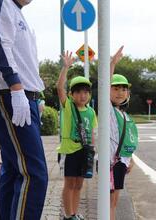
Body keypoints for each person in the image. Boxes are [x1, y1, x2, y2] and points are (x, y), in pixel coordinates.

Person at [0, 0, 48, 219]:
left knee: (13, 169)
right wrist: (17, 89)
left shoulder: (15, 10)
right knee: (34, 173)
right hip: (12, 95)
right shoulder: (1, 3)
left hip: (22, 96)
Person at [56, 51, 97, 220]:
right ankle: (68, 215)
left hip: (84, 152)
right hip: (69, 150)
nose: (83, 95)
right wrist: (66, 67)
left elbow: (92, 133)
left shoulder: (91, 111)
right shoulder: (68, 107)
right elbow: (59, 87)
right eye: (78, 92)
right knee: (69, 183)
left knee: (79, 184)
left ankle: (74, 213)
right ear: (72, 94)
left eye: (86, 92)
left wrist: (93, 152)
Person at [109, 46, 138, 220]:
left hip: (120, 163)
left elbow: (126, 139)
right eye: (116, 88)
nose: (120, 92)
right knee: (108, 202)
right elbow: (104, 84)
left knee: (113, 202)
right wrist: (112, 63)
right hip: (109, 163)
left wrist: (130, 159)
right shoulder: (109, 110)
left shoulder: (124, 114)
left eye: (124, 89)